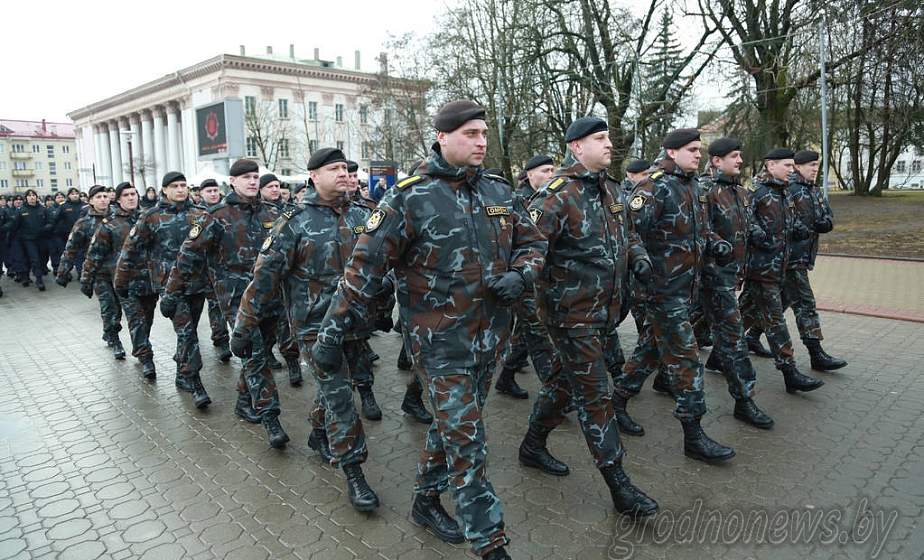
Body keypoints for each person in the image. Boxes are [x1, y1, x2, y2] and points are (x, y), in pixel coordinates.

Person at [311, 100, 545, 560]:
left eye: (484, 133)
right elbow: (362, 271)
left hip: (490, 339)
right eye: (470, 134)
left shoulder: (499, 191)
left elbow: (533, 243)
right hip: (439, 346)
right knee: (469, 443)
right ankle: (491, 543)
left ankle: (424, 501)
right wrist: (329, 336)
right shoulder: (409, 197)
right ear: (442, 137)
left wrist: (523, 273)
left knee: (452, 428)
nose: (481, 142)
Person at [520, 117, 658, 516]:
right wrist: (521, 281)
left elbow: (628, 235)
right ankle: (619, 484)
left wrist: (640, 259)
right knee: (596, 396)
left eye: (609, 138)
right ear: (576, 147)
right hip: (570, 315)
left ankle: (532, 444)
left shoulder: (612, 190)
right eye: (600, 139)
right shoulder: (556, 195)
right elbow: (527, 247)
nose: (609, 144)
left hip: (605, 312)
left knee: (564, 383)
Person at [234, 147, 380, 509]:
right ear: (314, 176)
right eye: (335, 169)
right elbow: (265, 276)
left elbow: (382, 264)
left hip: (357, 323)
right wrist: (244, 323)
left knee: (336, 391)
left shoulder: (365, 214)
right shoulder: (294, 221)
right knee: (342, 398)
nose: (344, 174)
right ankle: (353, 471)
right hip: (315, 326)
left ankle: (319, 431)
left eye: (346, 168)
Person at [613, 128, 737, 463]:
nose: (699, 155)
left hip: (685, 288)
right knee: (686, 359)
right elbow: (629, 231)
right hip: (660, 289)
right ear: (672, 152)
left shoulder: (693, 185)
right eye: (692, 150)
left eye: (699, 150)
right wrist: (639, 264)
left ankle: (617, 400)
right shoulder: (654, 186)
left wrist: (715, 243)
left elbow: (700, 227)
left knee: (649, 351)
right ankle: (693, 433)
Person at [163, 160, 288, 447]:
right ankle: (270, 418)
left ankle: (244, 401)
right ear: (232, 181)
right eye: (246, 177)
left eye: (256, 177)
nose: (253, 181)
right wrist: (171, 292)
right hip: (235, 298)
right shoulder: (216, 216)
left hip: (271, 296)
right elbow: (188, 255)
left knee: (260, 351)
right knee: (255, 355)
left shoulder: (272, 212)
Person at [695, 138, 774, 428]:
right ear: (716, 160)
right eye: (734, 156)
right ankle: (744, 400)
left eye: (740, 156)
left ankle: (627, 390)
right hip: (708, 276)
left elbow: (747, 222)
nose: (740, 161)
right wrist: (717, 245)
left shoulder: (740, 192)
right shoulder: (704, 190)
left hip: (729, 275)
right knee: (733, 336)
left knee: (661, 339)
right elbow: (699, 229)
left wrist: (759, 234)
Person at [115, 172, 211, 409]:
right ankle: (196, 382)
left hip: (196, 283)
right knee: (186, 332)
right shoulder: (152, 216)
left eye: (183, 185)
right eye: (175, 186)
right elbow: (130, 248)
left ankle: (182, 372)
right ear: (164, 190)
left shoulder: (198, 214)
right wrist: (121, 281)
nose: (180, 189)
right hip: (169, 286)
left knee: (189, 332)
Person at [739, 149, 826, 394]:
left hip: (781, 267)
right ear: (770, 165)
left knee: (741, 314)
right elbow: (745, 220)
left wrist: (800, 229)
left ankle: (716, 354)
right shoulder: (757, 192)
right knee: (775, 320)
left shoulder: (785, 191)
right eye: (787, 165)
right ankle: (790, 372)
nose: (791, 169)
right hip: (760, 269)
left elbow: (791, 220)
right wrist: (760, 236)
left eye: (792, 165)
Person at [495, 154, 556, 399]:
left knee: (524, 334)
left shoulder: (552, 198)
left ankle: (506, 378)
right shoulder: (515, 200)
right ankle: (556, 395)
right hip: (520, 280)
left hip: (542, 277)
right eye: (545, 171)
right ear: (529, 174)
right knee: (539, 334)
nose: (550, 175)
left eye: (553, 170)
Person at [780, 150, 846, 371]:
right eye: (810, 166)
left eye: (816, 166)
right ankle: (816, 354)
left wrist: (826, 222)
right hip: (790, 258)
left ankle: (745, 339)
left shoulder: (814, 190)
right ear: (797, 167)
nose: (814, 169)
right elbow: (784, 221)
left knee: (776, 303)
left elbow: (827, 215)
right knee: (805, 304)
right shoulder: (789, 189)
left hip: (803, 255)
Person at [80, 182, 141, 361]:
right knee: (110, 309)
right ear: (91, 201)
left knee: (132, 312)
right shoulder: (85, 222)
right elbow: (75, 248)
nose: (103, 199)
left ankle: (140, 349)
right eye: (98, 197)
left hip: (122, 274)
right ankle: (114, 338)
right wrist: (84, 278)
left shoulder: (121, 218)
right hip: (101, 274)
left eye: (105, 196)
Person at [196, 179, 232, 362]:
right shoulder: (196, 214)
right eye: (209, 191)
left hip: (225, 269)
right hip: (205, 271)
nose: (213, 194)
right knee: (215, 305)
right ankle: (221, 340)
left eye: (215, 190)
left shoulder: (227, 210)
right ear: (201, 193)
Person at [11, 189, 50, 290]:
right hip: (28, 240)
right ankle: (39, 279)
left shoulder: (43, 209)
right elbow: (15, 226)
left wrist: (44, 229)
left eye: (34, 195)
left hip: (41, 239)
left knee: (42, 259)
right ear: (26, 198)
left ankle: (32, 275)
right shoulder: (21, 210)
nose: (32, 197)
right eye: (29, 195)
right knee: (34, 259)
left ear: (37, 197)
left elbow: (50, 222)